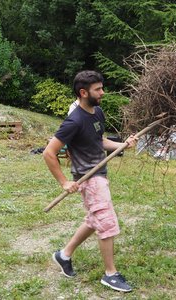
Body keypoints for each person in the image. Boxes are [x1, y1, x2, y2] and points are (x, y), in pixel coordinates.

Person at [43, 70, 137, 292]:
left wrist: (123, 144)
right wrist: (64, 182)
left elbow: (100, 141)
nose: (103, 92)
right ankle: (110, 274)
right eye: (98, 89)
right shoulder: (73, 121)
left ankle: (63, 255)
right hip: (88, 177)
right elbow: (49, 152)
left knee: (95, 218)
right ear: (83, 92)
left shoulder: (97, 112)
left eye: (102, 87)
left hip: (100, 172)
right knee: (106, 222)